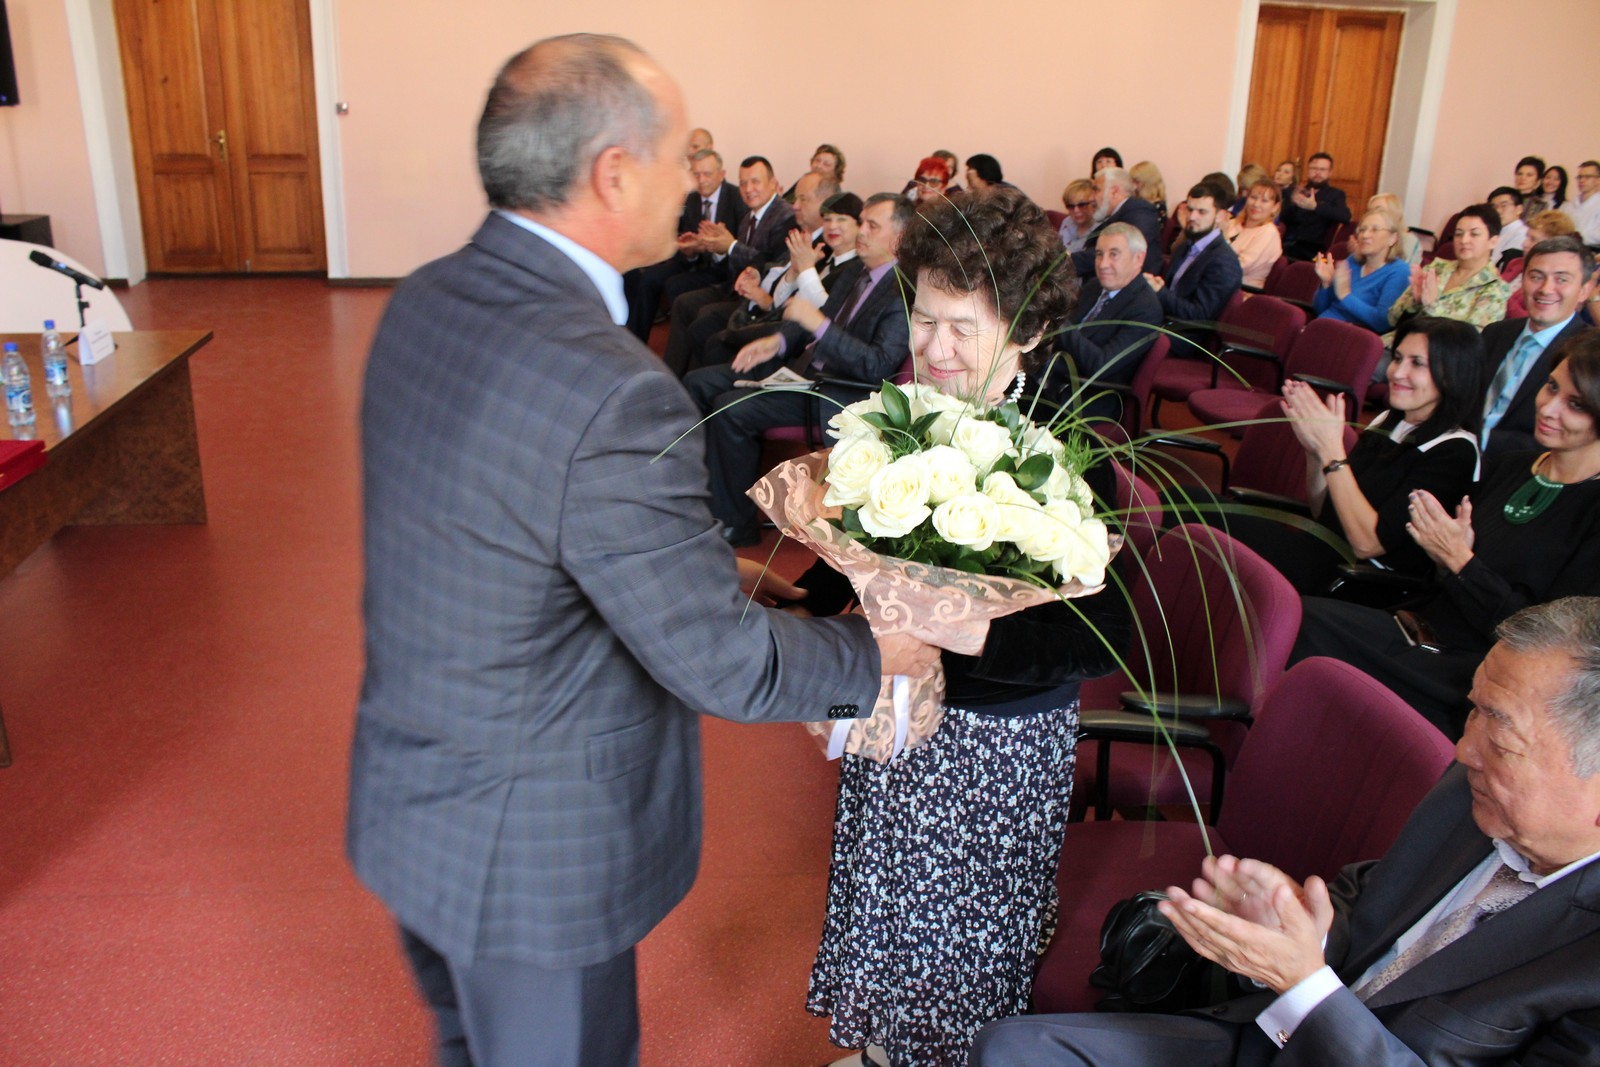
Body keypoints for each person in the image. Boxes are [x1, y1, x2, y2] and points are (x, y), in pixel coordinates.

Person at [348, 34, 937, 1067]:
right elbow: (719, 659)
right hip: (529, 857)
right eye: (676, 154)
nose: (689, 181)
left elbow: (511, 527)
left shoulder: (426, 297)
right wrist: (878, 650)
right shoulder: (610, 384)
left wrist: (719, 566)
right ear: (613, 173)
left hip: (416, 802)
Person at [971, 594, 1600, 1067]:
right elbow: (1372, 899)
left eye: (1502, 737)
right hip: (1274, 1035)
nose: (1464, 749)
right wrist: (1294, 923)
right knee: (1011, 1048)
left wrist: (1305, 987)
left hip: (1320, 1031)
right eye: (1474, 713)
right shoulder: (1473, 796)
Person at [802, 186, 1131, 1067]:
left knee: (958, 944)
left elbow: (1105, 634)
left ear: (1027, 332)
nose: (935, 349)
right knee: (889, 904)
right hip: (904, 716)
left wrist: (961, 631)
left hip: (993, 750)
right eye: (924, 320)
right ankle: (889, 1051)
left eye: (962, 329)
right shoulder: (910, 417)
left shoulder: (1069, 443)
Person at [1290, 330, 1600, 737]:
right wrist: (1446, 559)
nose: (1549, 407)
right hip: (1420, 627)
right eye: (1551, 387)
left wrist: (1460, 562)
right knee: (1297, 618)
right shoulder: (1510, 466)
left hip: (1481, 671)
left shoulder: (1592, 510)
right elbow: (1442, 574)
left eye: (1575, 405)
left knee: (1306, 629)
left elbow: (1547, 642)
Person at [686, 193, 915, 546]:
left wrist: (819, 325)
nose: (862, 232)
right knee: (698, 382)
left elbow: (876, 365)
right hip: (802, 370)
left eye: (872, 226)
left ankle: (734, 523)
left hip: (836, 392)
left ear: (899, 237)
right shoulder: (856, 270)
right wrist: (776, 342)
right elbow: (811, 321)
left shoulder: (901, 290)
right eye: (863, 223)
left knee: (730, 410)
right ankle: (703, 489)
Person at [1244, 316, 1483, 593]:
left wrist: (1332, 450)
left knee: (1218, 540)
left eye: (1417, 363)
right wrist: (1315, 451)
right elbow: (1324, 511)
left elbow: (1367, 544)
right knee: (1206, 517)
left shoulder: (1455, 451)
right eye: (1397, 358)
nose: (1397, 372)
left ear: (1452, 375)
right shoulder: (1388, 420)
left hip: (1357, 581)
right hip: (1322, 550)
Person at [1480, 237, 1597, 455]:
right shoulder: (1495, 333)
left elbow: (1570, 441)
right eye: (1536, 277)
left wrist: (1477, 438)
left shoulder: (1588, 354)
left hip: (1520, 467)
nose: (1545, 289)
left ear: (1584, 289)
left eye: (1561, 279)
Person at [621, 147, 746, 340]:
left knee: (675, 285)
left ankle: (682, 342)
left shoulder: (736, 198)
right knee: (650, 278)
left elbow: (741, 245)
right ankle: (635, 338)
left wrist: (715, 247)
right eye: (696, 174)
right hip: (695, 262)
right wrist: (690, 251)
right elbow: (686, 238)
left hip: (723, 267)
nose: (701, 180)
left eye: (707, 174)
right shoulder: (692, 198)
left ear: (721, 174)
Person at [1056, 223, 1163, 422]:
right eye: (1099, 254)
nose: (1103, 264)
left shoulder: (1146, 309)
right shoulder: (1094, 287)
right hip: (1058, 377)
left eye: (1114, 255)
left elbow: (1101, 366)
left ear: (1138, 259)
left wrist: (1059, 324)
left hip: (1089, 401)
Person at [1387, 203, 1511, 336]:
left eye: (1474, 234)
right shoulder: (1436, 268)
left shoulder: (1495, 289)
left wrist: (1432, 307)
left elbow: (1472, 342)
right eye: (1458, 234)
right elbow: (1391, 319)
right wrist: (1414, 302)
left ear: (1493, 241)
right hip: (1398, 340)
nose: (1464, 240)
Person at [1145, 182, 1243, 321]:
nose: (1192, 217)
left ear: (1220, 216)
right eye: (1190, 210)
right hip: (1162, 317)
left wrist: (1160, 292)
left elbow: (1198, 315)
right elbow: (1173, 291)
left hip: (1182, 330)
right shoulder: (1186, 245)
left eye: (1201, 212)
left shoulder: (1224, 261)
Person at [1310, 208, 1410, 334]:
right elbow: (1320, 309)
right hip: (1321, 328)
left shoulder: (1399, 271)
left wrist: (1346, 296)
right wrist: (1326, 284)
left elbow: (1382, 323)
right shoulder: (1353, 261)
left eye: (1375, 229)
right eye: (1362, 230)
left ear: (1393, 238)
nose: (1365, 235)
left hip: (1351, 338)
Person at [1072, 167, 1164, 278]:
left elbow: (1115, 250)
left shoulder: (1140, 211)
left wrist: (1066, 263)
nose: (1092, 197)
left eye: (1097, 190)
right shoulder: (1118, 213)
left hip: (1133, 285)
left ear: (1114, 191)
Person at [1279, 152, 1351, 260]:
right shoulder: (1297, 191)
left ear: (1330, 173)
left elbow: (1345, 216)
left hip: (1313, 249)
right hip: (1287, 244)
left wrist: (1315, 206)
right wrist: (1292, 203)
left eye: (1322, 170)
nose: (1317, 173)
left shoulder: (1336, 194)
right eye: (1314, 169)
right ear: (1308, 170)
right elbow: (1283, 218)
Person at [1221, 180, 1283, 288]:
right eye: (1253, 197)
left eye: (1264, 201)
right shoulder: (1233, 223)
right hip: (1216, 281)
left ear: (1275, 207)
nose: (1256, 204)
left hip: (1240, 289)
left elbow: (1237, 268)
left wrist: (1224, 238)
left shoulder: (1268, 233)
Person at [1366, 192, 1421, 264]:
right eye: (1370, 211)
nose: (1372, 215)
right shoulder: (1366, 236)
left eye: (1379, 210)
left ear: (1395, 213)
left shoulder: (1409, 241)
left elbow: (1404, 269)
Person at [1487, 185, 1528, 268]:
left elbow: (1506, 266)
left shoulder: (1522, 233)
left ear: (1519, 209)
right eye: (1494, 207)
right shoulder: (1496, 231)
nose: (1498, 211)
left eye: (1504, 205)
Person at [1058, 178, 1097, 253]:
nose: (1076, 210)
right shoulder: (1067, 223)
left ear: (1094, 204)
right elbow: (1059, 251)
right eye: (1070, 206)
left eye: (1082, 205)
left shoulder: (1101, 226)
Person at [1571, 160, 1600, 247]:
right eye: (1579, 177)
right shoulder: (1570, 204)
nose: (1582, 180)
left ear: (1598, 180)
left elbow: (1597, 235)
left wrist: (1575, 236)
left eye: (1587, 177)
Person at [1514, 155, 1548, 221]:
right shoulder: (1506, 199)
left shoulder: (1540, 205)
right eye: (1519, 174)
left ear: (1538, 181)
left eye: (1529, 175)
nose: (1522, 178)